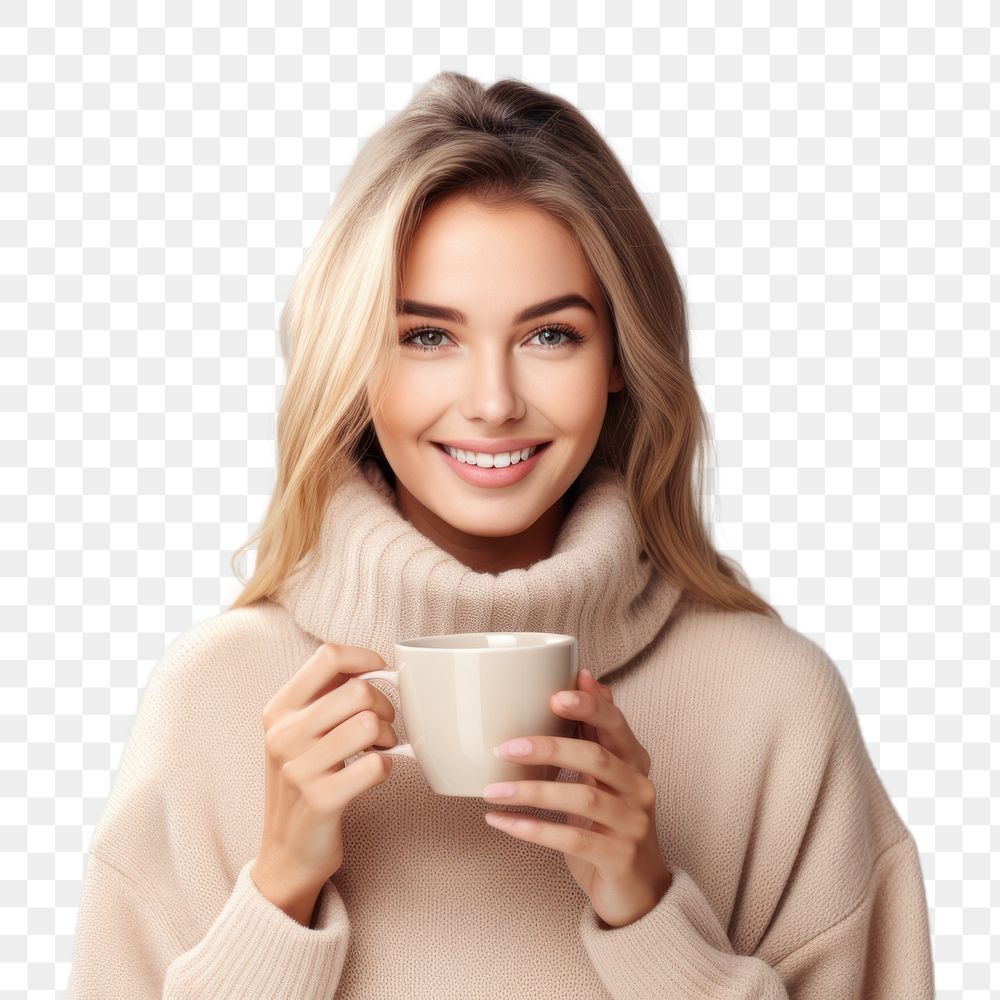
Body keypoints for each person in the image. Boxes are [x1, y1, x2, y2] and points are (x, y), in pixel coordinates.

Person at [67, 72, 934, 998]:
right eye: (427, 337)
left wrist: (648, 914)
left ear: (621, 361)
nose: (492, 403)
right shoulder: (217, 697)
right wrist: (278, 894)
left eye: (550, 336)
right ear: (355, 363)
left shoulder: (776, 707)